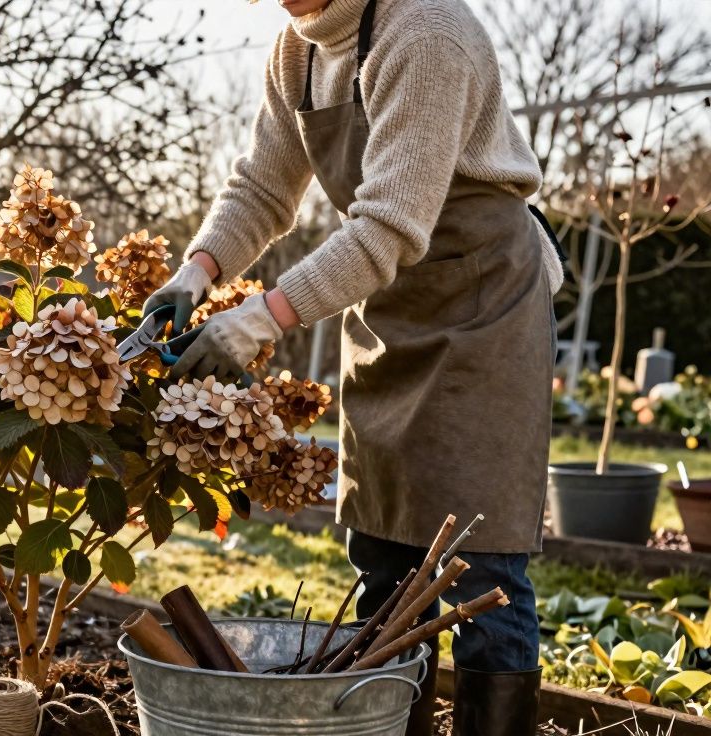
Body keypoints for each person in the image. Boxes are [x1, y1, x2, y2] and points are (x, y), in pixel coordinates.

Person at [143, 0, 561, 733]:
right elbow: (263, 189)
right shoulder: (296, 51)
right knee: (384, 552)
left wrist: (260, 318)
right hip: (388, 307)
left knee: (484, 560)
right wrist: (197, 271)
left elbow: (390, 224)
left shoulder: (425, 33)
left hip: (484, 305)